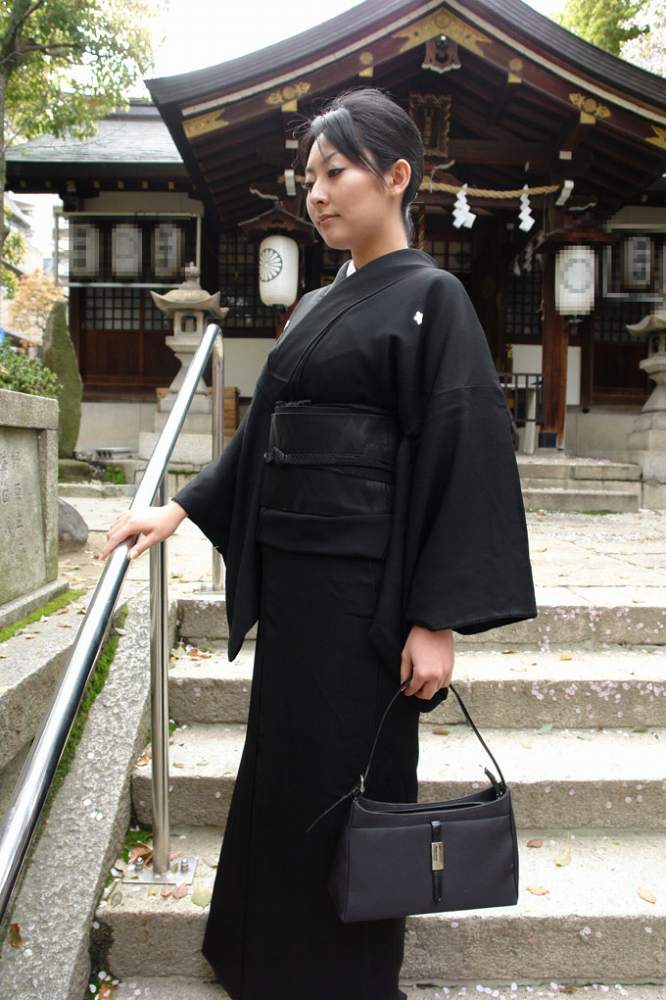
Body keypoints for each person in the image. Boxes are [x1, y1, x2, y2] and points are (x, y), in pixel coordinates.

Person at [99, 86, 537, 1000]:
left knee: (350, 779)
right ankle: (259, 957)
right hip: (298, 590)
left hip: (368, 597)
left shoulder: (435, 298)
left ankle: (342, 979)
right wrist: (179, 509)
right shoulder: (314, 305)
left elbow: (463, 449)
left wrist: (437, 619)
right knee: (286, 769)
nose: (318, 193)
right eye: (310, 178)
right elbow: (266, 428)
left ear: (397, 175)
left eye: (337, 172)